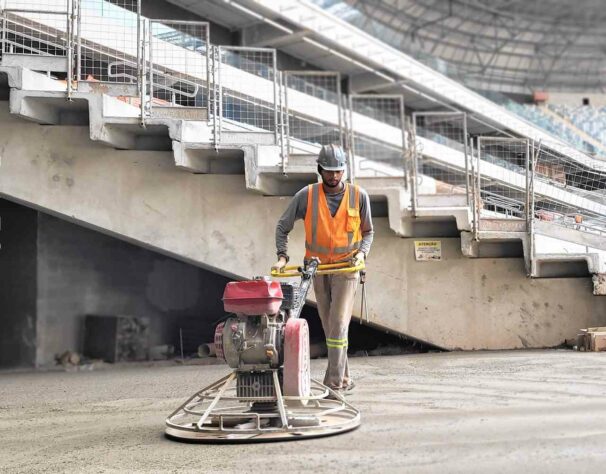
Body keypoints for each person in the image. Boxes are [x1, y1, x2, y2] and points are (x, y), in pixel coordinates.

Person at [273, 144, 374, 394]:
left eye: (338, 171)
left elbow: (368, 232)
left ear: (345, 171)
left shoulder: (358, 196)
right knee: (330, 326)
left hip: (346, 268)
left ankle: (335, 384)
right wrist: (282, 256)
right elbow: (282, 226)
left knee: (339, 323)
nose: (333, 176)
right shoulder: (306, 196)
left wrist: (361, 253)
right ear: (319, 170)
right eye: (329, 171)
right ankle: (345, 378)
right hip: (317, 270)